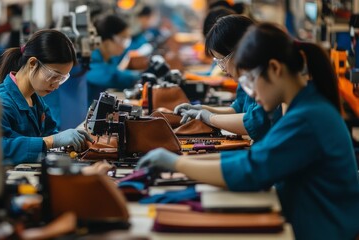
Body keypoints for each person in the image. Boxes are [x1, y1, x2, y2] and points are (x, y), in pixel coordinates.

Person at [137, 23, 359, 239]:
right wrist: (180, 160)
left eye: (250, 81)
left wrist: (177, 164)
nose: (250, 94)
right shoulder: (303, 108)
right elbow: (257, 157)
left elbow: (252, 170)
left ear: (274, 69)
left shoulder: (307, 119)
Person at [0, 29, 110, 185]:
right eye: (54, 76)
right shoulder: (1, 103)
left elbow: (51, 134)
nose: (57, 85)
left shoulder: (36, 100)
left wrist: (71, 143)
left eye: (62, 79)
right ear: (32, 63)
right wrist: (51, 141)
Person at [176, 15, 282, 142]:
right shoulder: (250, 78)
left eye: (222, 60)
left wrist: (210, 117)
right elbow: (237, 109)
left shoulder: (265, 79)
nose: (222, 68)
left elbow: (255, 123)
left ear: (239, 51)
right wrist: (203, 110)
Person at [86, 15, 141, 105]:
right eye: (123, 39)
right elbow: (113, 77)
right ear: (107, 42)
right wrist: (140, 77)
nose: (125, 45)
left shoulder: (110, 58)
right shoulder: (89, 61)